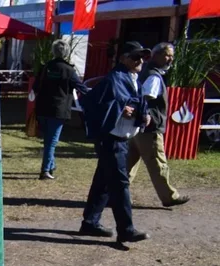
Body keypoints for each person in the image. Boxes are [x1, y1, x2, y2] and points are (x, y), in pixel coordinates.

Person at [78, 41, 151, 243]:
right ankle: (126, 229)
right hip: (111, 139)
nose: (140, 60)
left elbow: (133, 102)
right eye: (135, 56)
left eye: (142, 57)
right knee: (120, 184)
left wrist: (144, 114)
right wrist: (121, 109)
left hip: (118, 139)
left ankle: (90, 223)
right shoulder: (114, 78)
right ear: (123, 58)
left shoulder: (132, 78)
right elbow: (92, 102)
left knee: (103, 182)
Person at [127, 42, 189, 207]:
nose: (170, 59)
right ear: (157, 55)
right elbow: (147, 97)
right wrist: (145, 114)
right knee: (158, 162)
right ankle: (169, 196)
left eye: (171, 56)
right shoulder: (154, 76)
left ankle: (116, 194)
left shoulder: (144, 71)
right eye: (167, 55)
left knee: (128, 164)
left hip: (136, 126)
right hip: (150, 127)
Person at [34, 39, 89, 180]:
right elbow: (81, 87)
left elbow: (35, 87)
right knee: (51, 141)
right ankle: (45, 170)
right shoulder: (69, 70)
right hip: (59, 110)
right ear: (66, 52)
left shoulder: (45, 67)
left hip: (42, 108)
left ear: (53, 51)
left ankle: (50, 165)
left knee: (48, 140)